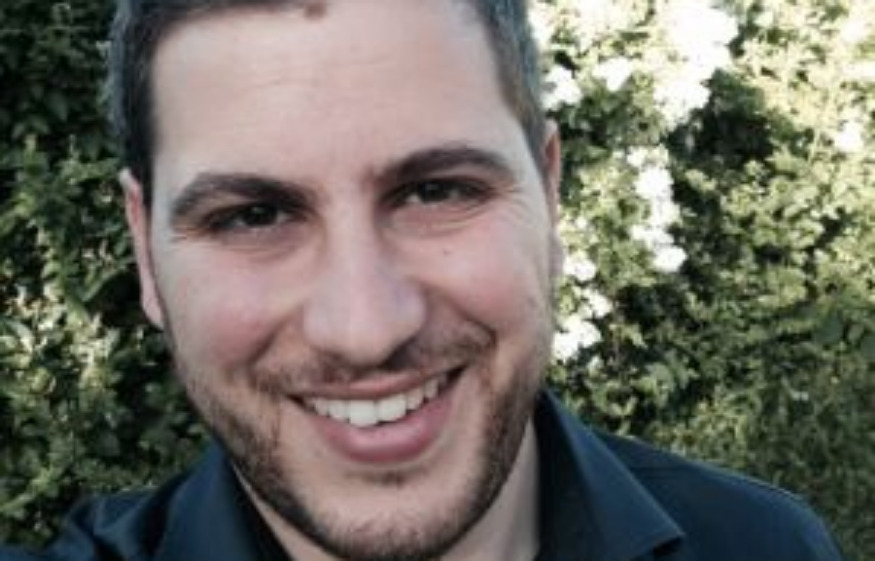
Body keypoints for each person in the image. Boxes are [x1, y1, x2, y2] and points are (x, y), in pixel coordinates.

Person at [0, 0, 847, 560]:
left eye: (436, 191)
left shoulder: (763, 545)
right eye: (253, 215)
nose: (364, 327)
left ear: (549, 195)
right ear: (145, 250)